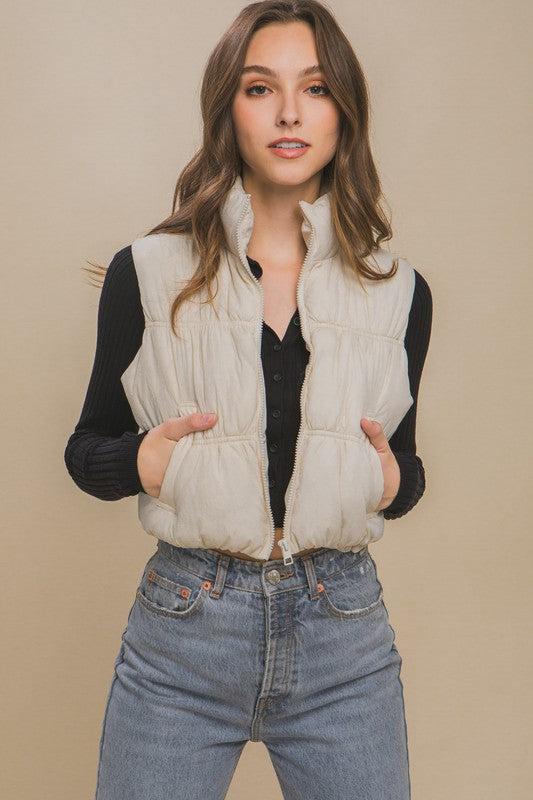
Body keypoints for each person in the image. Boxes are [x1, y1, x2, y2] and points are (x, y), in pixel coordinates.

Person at [65, 2, 432, 798]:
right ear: (227, 109)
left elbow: (402, 467)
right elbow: (87, 454)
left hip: (343, 633)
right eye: (261, 88)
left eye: (318, 88)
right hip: (184, 631)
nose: (291, 112)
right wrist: (143, 459)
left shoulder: (399, 292)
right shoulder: (148, 272)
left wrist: (392, 481)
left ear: (345, 113)